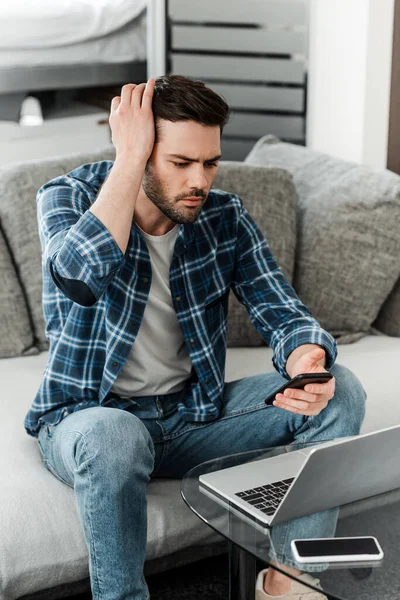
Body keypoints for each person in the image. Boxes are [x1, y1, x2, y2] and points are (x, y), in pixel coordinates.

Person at [25, 75, 366, 600]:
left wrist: (306, 359)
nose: (199, 181)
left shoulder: (224, 218)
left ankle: (290, 580)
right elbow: (78, 277)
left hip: (190, 419)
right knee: (114, 437)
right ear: (138, 151)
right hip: (88, 420)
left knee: (340, 391)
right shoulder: (67, 196)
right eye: (181, 163)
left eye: (209, 163)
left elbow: (282, 310)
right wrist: (128, 160)